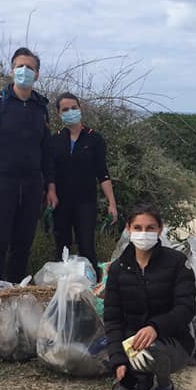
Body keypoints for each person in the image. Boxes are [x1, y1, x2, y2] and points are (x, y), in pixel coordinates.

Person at [0, 47, 57, 289]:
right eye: (20, 66)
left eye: (30, 68)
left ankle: (16, 297)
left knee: (23, 244)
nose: (24, 71)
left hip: (31, 186)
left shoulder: (41, 107)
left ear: (37, 75)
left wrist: (50, 187)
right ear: (11, 70)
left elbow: (46, 151)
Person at [104, 204, 196, 390]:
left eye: (150, 227)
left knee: (152, 348)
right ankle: (142, 380)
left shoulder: (177, 263)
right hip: (133, 346)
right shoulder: (117, 269)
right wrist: (118, 360)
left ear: (160, 229)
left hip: (171, 342)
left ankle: (164, 387)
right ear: (128, 229)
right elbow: (112, 319)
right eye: (137, 227)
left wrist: (156, 327)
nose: (143, 233)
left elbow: (186, 308)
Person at [48, 93, 118, 274]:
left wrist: (112, 203)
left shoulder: (95, 139)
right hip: (60, 202)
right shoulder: (54, 140)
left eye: (73, 108)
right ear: (59, 114)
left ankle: (91, 287)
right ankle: (62, 289)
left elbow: (102, 173)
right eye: (65, 109)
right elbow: (50, 172)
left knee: (86, 245)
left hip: (85, 201)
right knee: (61, 246)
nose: (70, 112)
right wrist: (51, 192)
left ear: (80, 109)